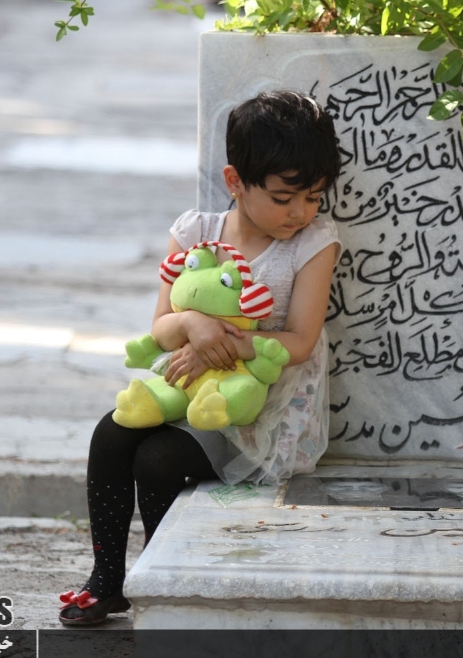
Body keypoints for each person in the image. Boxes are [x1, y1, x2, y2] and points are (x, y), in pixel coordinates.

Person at [58, 90, 342, 626]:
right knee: (111, 433)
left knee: (157, 459)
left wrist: (234, 344)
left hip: (257, 407)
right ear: (235, 181)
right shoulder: (195, 234)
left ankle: (162, 581)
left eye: (313, 197)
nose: (300, 212)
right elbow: (161, 330)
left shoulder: (313, 243)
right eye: (284, 197)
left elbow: (301, 341)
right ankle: (107, 579)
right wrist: (192, 323)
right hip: (187, 386)